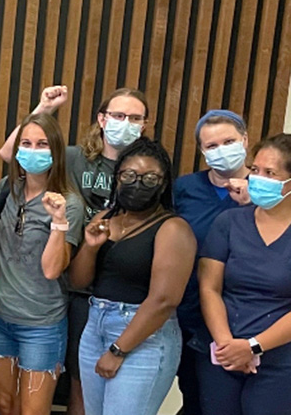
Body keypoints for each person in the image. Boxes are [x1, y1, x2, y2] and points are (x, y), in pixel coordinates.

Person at [0, 85, 150, 415]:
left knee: (105, 390)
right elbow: (13, 154)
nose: (125, 123)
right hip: (71, 288)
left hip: (119, 288)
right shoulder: (76, 158)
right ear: (102, 119)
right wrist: (43, 108)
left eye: (134, 118)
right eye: (118, 115)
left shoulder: (146, 169)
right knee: (77, 388)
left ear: (145, 125)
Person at [68, 138, 195, 415]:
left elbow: (164, 300)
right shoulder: (104, 218)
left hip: (142, 337)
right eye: (129, 176)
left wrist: (118, 350)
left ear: (163, 184)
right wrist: (90, 248)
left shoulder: (173, 229)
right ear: (117, 178)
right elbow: (77, 282)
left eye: (150, 178)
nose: (138, 184)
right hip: (95, 325)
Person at [0, 112, 86, 415]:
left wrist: (58, 222)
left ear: (56, 151)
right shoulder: (7, 187)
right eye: (26, 143)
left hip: (42, 324)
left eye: (42, 144)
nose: (33, 150)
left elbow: (53, 270)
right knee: (5, 405)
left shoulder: (70, 203)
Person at [197, 133, 291, 414]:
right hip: (223, 353)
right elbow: (209, 287)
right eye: (255, 170)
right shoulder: (230, 221)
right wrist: (228, 345)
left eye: (270, 173)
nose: (257, 178)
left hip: (280, 360)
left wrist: (253, 346)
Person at [172, 109, 251, 414]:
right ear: (202, 152)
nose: (221, 150)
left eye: (229, 141)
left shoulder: (268, 191)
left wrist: (253, 201)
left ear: (244, 140)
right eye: (212, 146)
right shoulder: (185, 189)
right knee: (195, 397)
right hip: (189, 312)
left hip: (244, 317)